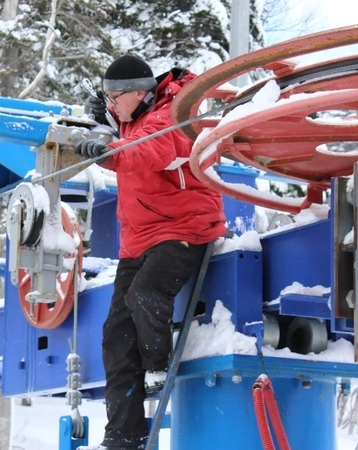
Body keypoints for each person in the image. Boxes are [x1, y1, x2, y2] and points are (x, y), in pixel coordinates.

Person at [74, 54, 226, 450]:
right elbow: (121, 132)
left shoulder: (173, 115)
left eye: (115, 96)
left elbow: (146, 151)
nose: (110, 104)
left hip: (184, 230)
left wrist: (108, 151)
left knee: (145, 296)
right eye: (106, 96)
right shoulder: (130, 117)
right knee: (116, 335)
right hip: (137, 240)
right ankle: (123, 435)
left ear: (140, 92)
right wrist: (103, 130)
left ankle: (157, 366)